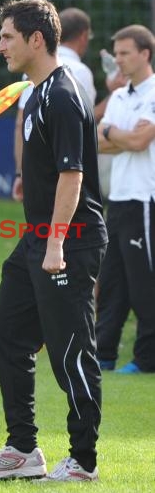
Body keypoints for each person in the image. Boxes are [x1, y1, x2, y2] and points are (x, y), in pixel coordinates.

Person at [0, 0, 108, 482]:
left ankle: (83, 460)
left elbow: (74, 176)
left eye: (7, 36)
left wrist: (54, 244)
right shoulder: (34, 93)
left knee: (71, 350)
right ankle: (23, 449)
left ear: (35, 40)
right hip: (35, 239)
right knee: (5, 332)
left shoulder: (63, 93)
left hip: (66, 243)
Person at [12, 7, 124, 203]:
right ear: (83, 36)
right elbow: (87, 117)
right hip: (66, 168)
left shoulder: (30, 68)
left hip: (38, 169)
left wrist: (21, 173)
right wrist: (114, 94)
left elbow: (22, 123)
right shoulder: (80, 71)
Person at [95, 24, 155, 374]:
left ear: (145, 54)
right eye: (115, 53)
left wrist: (109, 131)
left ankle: (147, 359)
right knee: (112, 280)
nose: (117, 60)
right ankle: (104, 354)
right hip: (117, 197)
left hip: (143, 198)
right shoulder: (119, 96)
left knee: (143, 282)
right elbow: (100, 143)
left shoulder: (153, 92)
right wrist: (116, 135)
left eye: (124, 53)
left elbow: (137, 143)